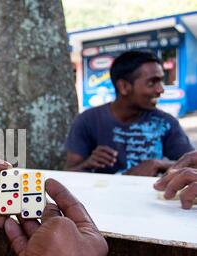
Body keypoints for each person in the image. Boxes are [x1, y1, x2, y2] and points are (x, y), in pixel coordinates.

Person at [65, 50, 193, 176]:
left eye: (161, 81)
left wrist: (158, 164)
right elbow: (70, 174)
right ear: (124, 87)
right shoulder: (88, 121)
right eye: (152, 82)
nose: (160, 89)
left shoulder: (166, 123)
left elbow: (192, 166)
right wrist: (88, 164)